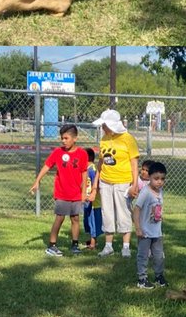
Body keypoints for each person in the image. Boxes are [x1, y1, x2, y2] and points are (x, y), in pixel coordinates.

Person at [29, 123, 88, 256]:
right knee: (59, 218)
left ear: (75, 138)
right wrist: (37, 181)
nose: (63, 141)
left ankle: (75, 244)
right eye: (62, 138)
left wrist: (84, 192)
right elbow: (47, 166)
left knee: (75, 218)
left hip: (76, 194)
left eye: (66, 138)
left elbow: (84, 173)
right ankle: (52, 245)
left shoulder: (82, 154)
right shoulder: (58, 152)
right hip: (62, 193)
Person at [93, 107, 139, 258]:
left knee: (123, 213)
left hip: (123, 182)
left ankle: (125, 247)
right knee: (107, 213)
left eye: (104, 125)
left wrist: (134, 184)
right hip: (106, 181)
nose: (103, 128)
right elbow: (101, 162)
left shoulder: (128, 139)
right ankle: (108, 246)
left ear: (112, 125)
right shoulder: (104, 139)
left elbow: (134, 163)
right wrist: (96, 183)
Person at [133, 161, 167, 289]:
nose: (159, 182)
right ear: (150, 177)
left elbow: (157, 206)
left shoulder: (160, 191)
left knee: (158, 255)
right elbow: (137, 209)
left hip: (156, 231)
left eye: (162, 179)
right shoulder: (145, 192)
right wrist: (138, 228)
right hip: (145, 231)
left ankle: (159, 276)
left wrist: (159, 215)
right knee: (143, 255)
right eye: (156, 178)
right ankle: (142, 279)